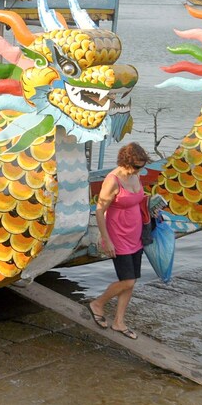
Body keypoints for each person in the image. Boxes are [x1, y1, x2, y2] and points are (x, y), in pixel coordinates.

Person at [86, 142, 150, 340]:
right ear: (126, 162)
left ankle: (119, 322)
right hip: (117, 234)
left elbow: (137, 199)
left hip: (135, 233)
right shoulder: (113, 180)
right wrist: (106, 240)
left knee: (132, 282)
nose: (140, 170)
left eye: (142, 166)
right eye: (138, 166)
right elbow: (99, 210)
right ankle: (98, 303)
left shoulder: (135, 174)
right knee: (127, 279)